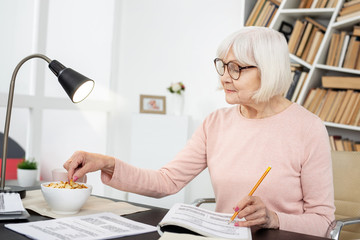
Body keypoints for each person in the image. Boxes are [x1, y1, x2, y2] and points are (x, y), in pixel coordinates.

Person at [64, 26, 335, 237]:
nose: (225, 76)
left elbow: (324, 222)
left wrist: (274, 219)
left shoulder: (308, 128)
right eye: (222, 65)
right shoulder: (215, 123)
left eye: (236, 68)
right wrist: (107, 162)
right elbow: (166, 181)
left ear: (269, 70)